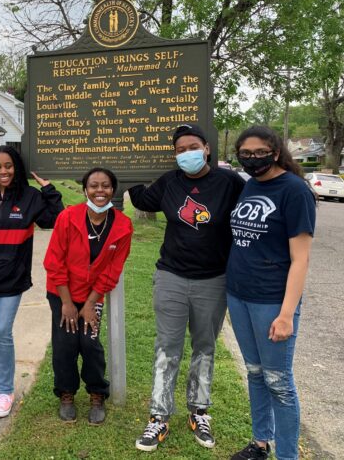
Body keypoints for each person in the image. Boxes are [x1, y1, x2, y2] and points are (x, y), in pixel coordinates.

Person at [128, 124, 245, 451]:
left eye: (192, 146)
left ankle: (200, 411)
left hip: (213, 279)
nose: (187, 153)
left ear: (206, 148)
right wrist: (125, 171)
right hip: (171, 278)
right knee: (167, 348)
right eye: (180, 149)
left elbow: (259, 199)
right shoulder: (170, 182)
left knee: (204, 347)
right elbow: (142, 197)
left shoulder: (229, 182)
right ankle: (158, 416)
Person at [227, 126, 316, 460]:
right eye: (245, 154)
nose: (252, 159)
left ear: (276, 152)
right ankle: (260, 443)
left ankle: (288, 455)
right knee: (255, 373)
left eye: (259, 153)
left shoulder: (295, 191)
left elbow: (301, 259)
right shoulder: (250, 185)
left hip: (272, 301)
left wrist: (286, 314)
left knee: (278, 381)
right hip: (238, 295)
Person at [0, 145, 64, 418]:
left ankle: (7, 390)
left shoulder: (29, 197)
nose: (3, 171)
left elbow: (56, 219)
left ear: (17, 168)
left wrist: (48, 188)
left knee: (2, 331)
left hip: (13, 276)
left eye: (8, 166)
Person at [43, 167, 133, 425]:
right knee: (65, 345)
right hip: (62, 294)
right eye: (94, 185)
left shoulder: (123, 226)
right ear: (85, 190)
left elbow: (112, 271)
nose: (99, 191)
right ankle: (67, 393)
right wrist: (68, 303)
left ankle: (97, 393)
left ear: (113, 190)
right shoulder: (68, 217)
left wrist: (91, 303)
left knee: (90, 344)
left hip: (93, 296)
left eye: (105, 185)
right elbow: (54, 262)